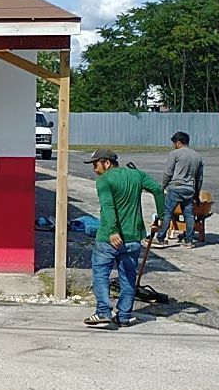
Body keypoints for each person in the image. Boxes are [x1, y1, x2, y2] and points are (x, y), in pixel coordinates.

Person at [83, 148, 164, 328]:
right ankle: (124, 315)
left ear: (107, 163)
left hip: (108, 239)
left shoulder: (104, 180)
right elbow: (158, 189)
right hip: (133, 238)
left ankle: (103, 311)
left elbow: (108, 206)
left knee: (101, 274)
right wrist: (161, 218)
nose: (94, 170)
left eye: (96, 165)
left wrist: (112, 231)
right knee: (127, 277)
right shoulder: (137, 175)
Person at [153, 131, 204, 249]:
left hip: (176, 188)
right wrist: (196, 194)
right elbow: (199, 178)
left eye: (174, 143)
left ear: (178, 142)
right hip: (189, 189)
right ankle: (189, 241)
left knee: (167, 213)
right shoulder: (197, 157)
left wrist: (162, 186)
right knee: (189, 215)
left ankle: (161, 238)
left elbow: (168, 172)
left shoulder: (174, 154)